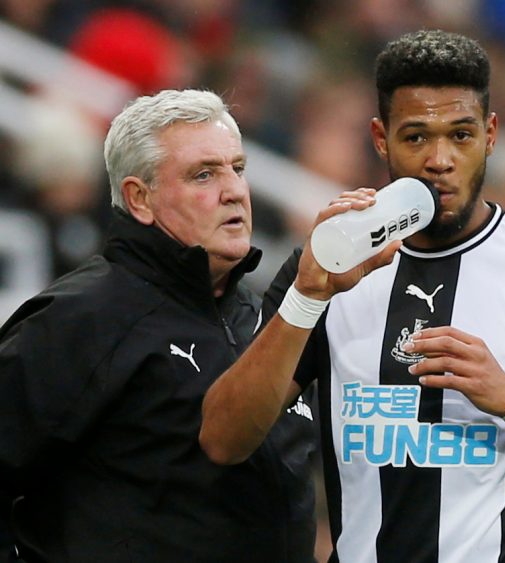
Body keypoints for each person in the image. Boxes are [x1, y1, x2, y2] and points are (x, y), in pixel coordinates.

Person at [200, 30, 505, 562]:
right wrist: (305, 297)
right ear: (380, 138)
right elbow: (223, 440)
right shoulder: (326, 267)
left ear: (491, 134)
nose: (440, 159)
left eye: (460, 135)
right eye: (416, 137)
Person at [0, 89, 318, 562]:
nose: (233, 190)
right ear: (140, 198)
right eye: (204, 174)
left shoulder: (264, 320)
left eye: (238, 168)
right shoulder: (82, 318)